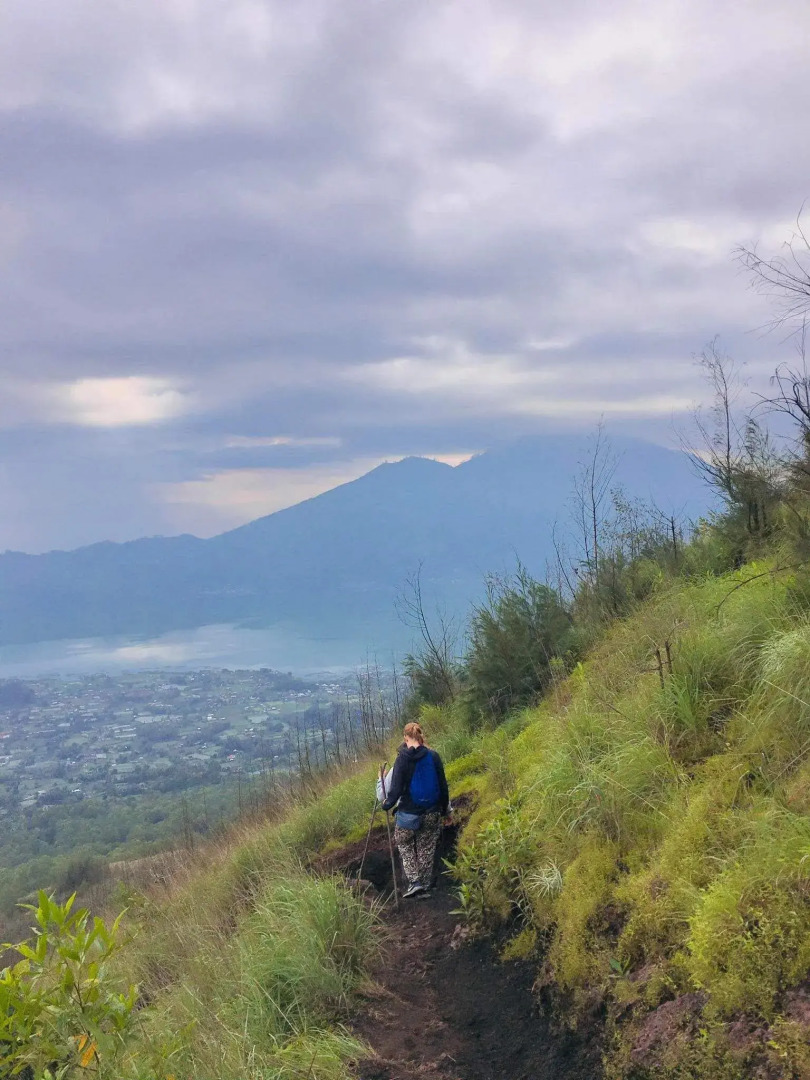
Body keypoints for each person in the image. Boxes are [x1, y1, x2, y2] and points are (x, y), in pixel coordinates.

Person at [381, 721, 451, 898]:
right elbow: (443, 786)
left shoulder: (402, 759)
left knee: (404, 844)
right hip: (432, 811)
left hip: (408, 814)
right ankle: (425, 886)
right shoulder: (433, 756)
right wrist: (445, 811)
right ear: (421, 736)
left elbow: (395, 790)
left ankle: (415, 882)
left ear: (405, 738)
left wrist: (387, 804)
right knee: (426, 848)